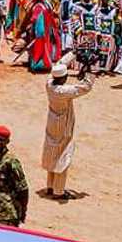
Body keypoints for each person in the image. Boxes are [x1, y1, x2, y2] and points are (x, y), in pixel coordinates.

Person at [42, 60, 94, 199]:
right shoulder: (63, 91)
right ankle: (58, 191)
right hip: (63, 126)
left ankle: (50, 186)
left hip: (52, 122)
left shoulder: (49, 84)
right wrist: (90, 72)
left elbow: (59, 63)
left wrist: (73, 54)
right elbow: (85, 87)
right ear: (63, 78)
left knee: (52, 153)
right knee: (62, 156)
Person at [0, 125, 29, 227]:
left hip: (8, 213)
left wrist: (23, 214)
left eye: (0, 140)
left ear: (7, 142)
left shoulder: (11, 161)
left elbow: (23, 189)